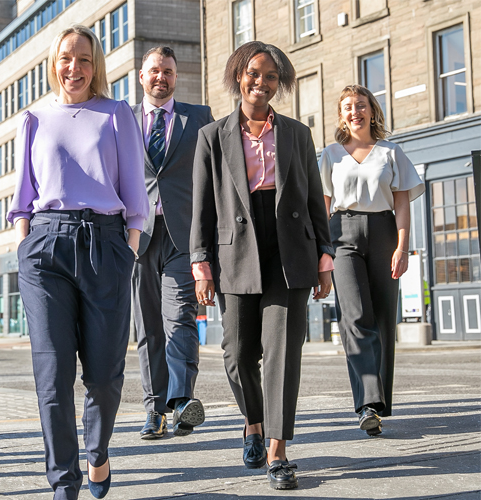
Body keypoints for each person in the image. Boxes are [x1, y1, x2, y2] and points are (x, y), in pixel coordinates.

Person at [8, 25, 148, 500]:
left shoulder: (116, 114)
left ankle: (97, 451)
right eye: (66, 58)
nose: (75, 68)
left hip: (105, 244)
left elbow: (135, 195)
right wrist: (26, 245)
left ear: (97, 66)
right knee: (52, 374)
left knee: (105, 377)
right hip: (45, 247)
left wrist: (127, 250)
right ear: (54, 63)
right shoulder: (34, 118)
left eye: (84, 59)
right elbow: (22, 199)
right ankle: (63, 483)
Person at [190, 41, 333, 490]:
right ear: (239, 75)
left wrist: (325, 259)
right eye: (255, 73)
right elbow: (201, 210)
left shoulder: (297, 134)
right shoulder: (212, 136)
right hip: (236, 250)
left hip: (290, 250)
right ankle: (253, 421)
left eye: (271, 77)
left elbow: (314, 201)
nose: (262, 82)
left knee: (282, 353)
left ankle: (277, 451)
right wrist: (201, 265)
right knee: (236, 355)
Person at [320, 84, 424, 437]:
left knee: (381, 319)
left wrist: (402, 246)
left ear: (372, 111)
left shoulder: (391, 152)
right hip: (342, 235)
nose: (355, 112)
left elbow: (403, 203)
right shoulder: (330, 155)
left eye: (361, 105)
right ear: (341, 115)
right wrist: (321, 249)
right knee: (355, 315)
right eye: (348, 106)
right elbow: (322, 204)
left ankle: (380, 404)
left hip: (383, 233)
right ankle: (367, 403)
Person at [131, 46, 214, 440]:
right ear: (141, 76)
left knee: (179, 319)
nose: (160, 77)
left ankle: (181, 403)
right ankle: (154, 410)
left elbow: (212, 178)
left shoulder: (198, 117)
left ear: (176, 77)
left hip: (184, 235)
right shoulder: (124, 119)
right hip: (137, 237)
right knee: (147, 328)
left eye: (167, 71)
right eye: (154, 71)